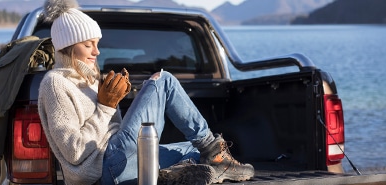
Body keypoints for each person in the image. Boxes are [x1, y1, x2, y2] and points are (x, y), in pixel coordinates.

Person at [38, 0, 255, 184]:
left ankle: (172, 174)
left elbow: (112, 130)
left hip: (118, 161)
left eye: (97, 43)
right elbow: (75, 152)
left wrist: (110, 106)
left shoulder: (91, 78)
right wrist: (105, 107)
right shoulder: (56, 84)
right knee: (163, 81)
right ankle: (213, 152)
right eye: (88, 45)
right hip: (103, 170)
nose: (97, 51)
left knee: (193, 149)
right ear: (68, 47)